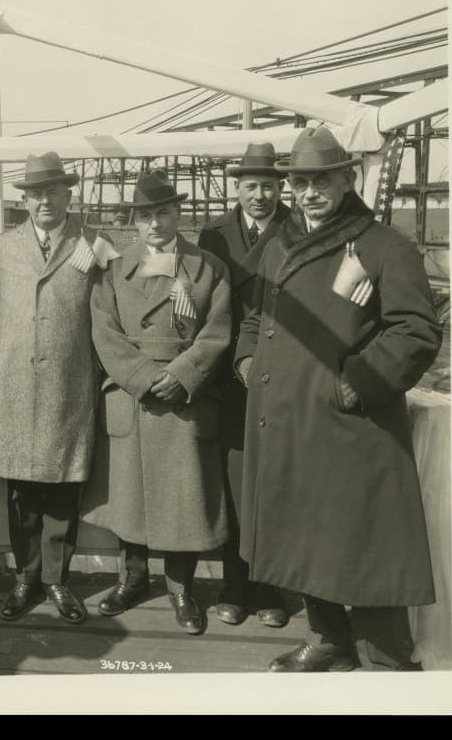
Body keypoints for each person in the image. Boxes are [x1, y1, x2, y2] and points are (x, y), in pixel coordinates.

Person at [235, 126, 442, 671]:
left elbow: (415, 331)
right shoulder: (279, 245)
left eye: (320, 180)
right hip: (284, 418)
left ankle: (387, 660)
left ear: (347, 179)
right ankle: (329, 637)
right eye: (300, 182)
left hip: (351, 425)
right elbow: (257, 315)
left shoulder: (385, 247)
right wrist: (246, 360)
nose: (308, 193)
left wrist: (353, 384)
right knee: (301, 534)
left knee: (366, 542)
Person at [82, 171, 230, 635]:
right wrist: (146, 378)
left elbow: (218, 332)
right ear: (134, 222)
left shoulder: (208, 268)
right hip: (134, 397)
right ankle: (131, 578)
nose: (155, 224)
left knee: (181, 499)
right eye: (145, 216)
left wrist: (182, 375)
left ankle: (181, 588)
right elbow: (104, 332)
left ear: (177, 214)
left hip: (184, 400)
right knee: (130, 496)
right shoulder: (112, 271)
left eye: (163, 213)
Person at [0, 152, 110, 625]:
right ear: (26, 199)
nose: (43, 202)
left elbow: (120, 292)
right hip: (16, 387)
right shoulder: (2, 246)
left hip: (67, 387)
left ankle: (58, 580)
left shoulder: (92, 246)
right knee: (21, 492)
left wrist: (104, 249)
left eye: (52, 193)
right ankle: (25, 577)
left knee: (62, 491)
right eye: (35, 194)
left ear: (67, 196)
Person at [197, 143, 291, 628]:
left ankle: (270, 585)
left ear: (281, 188)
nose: (261, 195)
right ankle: (234, 583)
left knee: (274, 481)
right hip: (229, 379)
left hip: (281, 374)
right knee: (234, 483)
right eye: (252, 186)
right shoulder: (213, 235)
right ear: (238, 189)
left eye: (269, 186)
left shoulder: (295, 229)